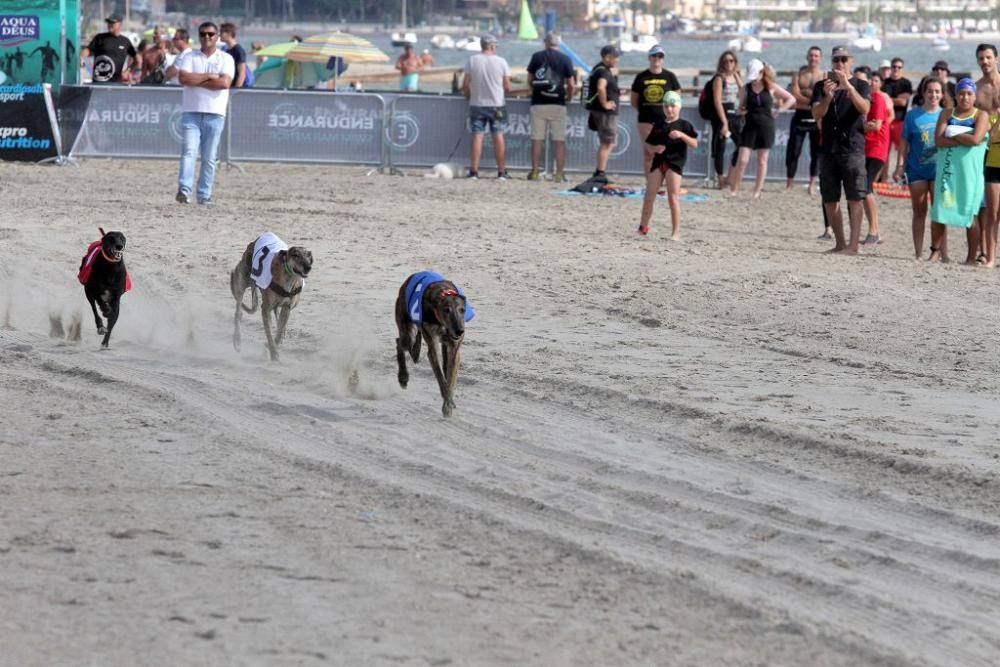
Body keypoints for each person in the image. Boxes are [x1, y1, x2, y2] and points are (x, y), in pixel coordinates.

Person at [812, 46, 871, 254]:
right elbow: (816, 114)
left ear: (851, 61)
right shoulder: (821, 86)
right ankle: (840, 244)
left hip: (853, 148)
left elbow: (865, 108)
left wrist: (848, 88)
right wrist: (828, 98)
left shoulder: (861, 84)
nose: (840, 64)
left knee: (855, 197)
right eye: (836, 60)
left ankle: (853, 245)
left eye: (844, 59)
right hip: (829, 148)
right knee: (830, 199)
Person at [930, 78, 989, 264]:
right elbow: (939, 140)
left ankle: (971, 257)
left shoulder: (981, 115)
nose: (965, 97)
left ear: (974, 96)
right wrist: (964, 137)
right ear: (956, 95)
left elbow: (976, 140)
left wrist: (953, 132)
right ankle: (935, 252)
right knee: (940, 211)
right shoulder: (947, 113)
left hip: (970, 175)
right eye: (961, 93)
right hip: (948, 172)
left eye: (969, 94)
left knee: (970, 213)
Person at [175, 22, 234, 206]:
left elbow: (224, 83)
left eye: (210, 34)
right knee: (189, 152)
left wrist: (197, 79)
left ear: (217, 36)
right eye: (203, 34)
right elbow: (183, 78)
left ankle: (204, 195)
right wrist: (209, 76)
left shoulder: (226, 58)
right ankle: (184, 190)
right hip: (191, 112)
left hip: (215, 113)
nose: (206, 37)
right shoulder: (189, 56)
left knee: (209, 157)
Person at [728, 59, 794, 200]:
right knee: (742, 160)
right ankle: (735, 189)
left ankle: (757, 191)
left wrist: (779, 110)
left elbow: (791, 98)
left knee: (762, 160)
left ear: (762, 72)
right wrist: (741, 111)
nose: (754, 79)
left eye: (756, 76)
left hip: (766, 126)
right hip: (749, 126)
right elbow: (740, 107)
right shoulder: (746, 88)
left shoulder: (770, 86)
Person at [894, 78, 944, 260]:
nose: (933, 95)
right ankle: (918, 253)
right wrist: (900, 166)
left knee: (939, 213)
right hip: (916, 169)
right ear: (923, 93)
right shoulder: (912, 116)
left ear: (942, 94)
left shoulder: (946, 115)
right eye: (930, 91)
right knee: (919, 211)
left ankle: (937, 252)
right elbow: (904, 143)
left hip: (940, 169)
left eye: (937, 91)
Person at [638, 90, 698, 240]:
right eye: (666, 106)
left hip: (674, 164)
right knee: (649, 196)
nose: (669, 109)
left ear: (679, 106)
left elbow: (694, 144)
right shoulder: (658, 125)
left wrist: (681, 135)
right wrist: (655, 148)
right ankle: (643, 228)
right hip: (659, 163)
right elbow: (648, 146)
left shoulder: (685, 125)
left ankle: (675, 233)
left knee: (673, 198)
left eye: (672, 106)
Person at [526, 32, 576, 182]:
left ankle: (535, 172)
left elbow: (529, 80)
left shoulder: (536, 57)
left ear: (545, 42)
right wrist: (569, 97)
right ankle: (559, 174)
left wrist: (534, 91)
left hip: (538, 103)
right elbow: (571, 84)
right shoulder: (565, 59)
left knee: (537, 140)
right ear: (559, 43)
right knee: (559, 141)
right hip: (558, 103)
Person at [462, 34, 512, 180]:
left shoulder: (472, 60)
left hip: (477, 104)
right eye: (495, 45)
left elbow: (465, 84)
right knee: (498, 136)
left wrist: (469, 97)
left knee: (477, 136)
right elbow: (507, 87)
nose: (496, 48)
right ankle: (501, 172)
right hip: (497, 105)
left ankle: (474, 171)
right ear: (491, 46)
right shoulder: (501, 62)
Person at [630, 44, 680, 174]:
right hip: (645, 120)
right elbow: (634, 99)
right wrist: (645, 110)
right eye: (654, 55)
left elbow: (677, 98)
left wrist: (673, 116)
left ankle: (663, 180)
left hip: (665, 120)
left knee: (665, 152)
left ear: (663, 58)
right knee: (649, 152)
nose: (656, 58)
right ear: (649, 57)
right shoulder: (641, 77)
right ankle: (650, 182)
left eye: (660, 56)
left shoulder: (670, 76)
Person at [859, 67, 890, 246]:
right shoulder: (862, 99)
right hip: (865, 147)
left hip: (876, 148)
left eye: (867, 80)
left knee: (865, 187)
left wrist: (854, 128)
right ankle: (875, 231)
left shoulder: (876, 97)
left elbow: (876, 125)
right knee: (863, 188)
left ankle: (874, 231)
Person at [786, 46, 823, 193]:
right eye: (811, 55)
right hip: (800, 116)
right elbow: (795, 94)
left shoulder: (825, 75)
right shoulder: (798, 74)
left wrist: (806, 97)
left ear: (820, 58)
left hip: (817, 118)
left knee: (816, 153)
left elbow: (826, 96)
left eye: (816, 56)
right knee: (794, 151)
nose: (813, 58)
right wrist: (814, 101)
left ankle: (812, 184)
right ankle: (789, 184)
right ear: (807, 57)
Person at [586, 45, 621, 179]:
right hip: (605, 113)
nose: (617, 60)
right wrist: (605, 103)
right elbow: (601, 87)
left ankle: (600, 172)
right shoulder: (604, 71)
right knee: (607, 143)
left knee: (607, 142)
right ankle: (600, 172)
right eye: (615, 57)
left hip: (599, 111)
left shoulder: (598, 69)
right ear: (607, 57)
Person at [709, 50, 742, 189]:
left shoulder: (736, 76)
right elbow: (717, 101)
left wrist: (736, 75)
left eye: (731, 61)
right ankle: (720, 179)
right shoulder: (719, 78)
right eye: (725, 61)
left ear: (735, 62)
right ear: (721, 63)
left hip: (735, 114)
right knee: (720, 147)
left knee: (741, 144)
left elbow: (743, 92)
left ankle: (730, 176)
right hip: (721, 115)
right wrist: (724, 122)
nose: (728, 63)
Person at [81, 15, 138, 84]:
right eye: (108, 22)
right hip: (99, 82)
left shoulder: (125, 41)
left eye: (112, 23)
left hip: (116, 83)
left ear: (120, 24)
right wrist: (81, 57)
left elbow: (137, 60)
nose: (109, 25)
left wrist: (127, 71)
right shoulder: (100, 38)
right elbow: (88, 50)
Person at [883, 57, 913, 179]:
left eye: (899, 67)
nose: (896, 69)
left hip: (900, 121)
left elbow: (903, 102)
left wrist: (887, 98)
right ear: (891, 67)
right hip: (886, 121)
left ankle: (901, 175)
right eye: (894, 66)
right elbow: (883, 101)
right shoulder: (885, 82)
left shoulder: (906, 83)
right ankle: (884, 178)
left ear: (902, 69)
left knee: (903, 150)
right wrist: (895, 99)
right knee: (884, 151)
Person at [220, 23, 248, 88]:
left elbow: (242, 74)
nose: (219, 34)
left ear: (229, 34)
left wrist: (236, 90)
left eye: (221, 32)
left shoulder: (239, 51)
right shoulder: (227, 50)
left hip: (235, 88)